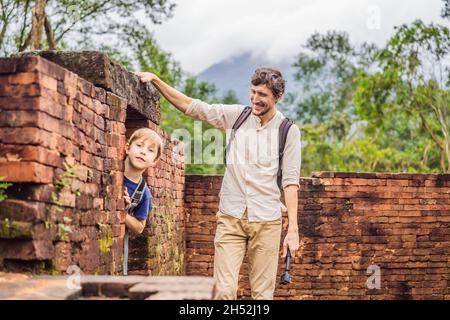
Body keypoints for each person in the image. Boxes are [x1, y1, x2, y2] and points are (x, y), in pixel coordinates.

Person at [135, 67, 301, 300]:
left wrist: (292, 229)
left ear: (278, 96)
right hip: (230, 217)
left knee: (262, 295)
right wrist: (156, 81)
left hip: (267, 221)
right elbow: (193, 107)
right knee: (223, 291)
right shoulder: (239, 116)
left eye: (262, 95)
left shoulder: (288, 131)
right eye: (253, 92)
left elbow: (291, 182)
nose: (255, 99)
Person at [122, 127, 164, 274]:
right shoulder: (110, 168)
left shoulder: (143, 194)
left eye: (150, 150)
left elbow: (140, 227)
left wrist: (123, 212)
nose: (143, 152)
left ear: (154, 161)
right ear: (127, 148)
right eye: (139, 145)